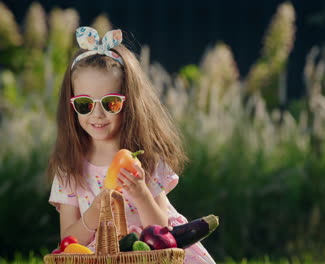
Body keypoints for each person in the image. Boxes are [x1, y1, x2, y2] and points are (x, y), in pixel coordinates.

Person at [47, 26, 215, 263]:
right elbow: (68, 242)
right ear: (71, 105)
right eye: (85, 104)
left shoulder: (145, 159)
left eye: (111, 103)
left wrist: (141, 194)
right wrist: (92, 216)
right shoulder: (69, 167)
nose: (97, 114)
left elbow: (163, 234)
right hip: (102, 254)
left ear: (129, 102)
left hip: (151, 252)